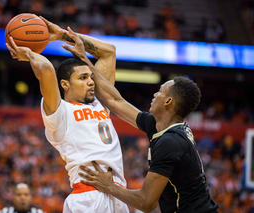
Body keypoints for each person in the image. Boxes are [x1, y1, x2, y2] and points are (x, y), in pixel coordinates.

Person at [61, 30, 219, 212]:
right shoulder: (160, 125)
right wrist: (84, 58)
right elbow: (115, 101)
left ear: (168, 101)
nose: (154, 94)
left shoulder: (171, 142)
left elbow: (146, 202)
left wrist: (109, 186)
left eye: (160, 92)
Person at [6, 17, 129, 213]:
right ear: (65, 84)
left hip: (119, 194)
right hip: (89, 197)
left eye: (90, 76)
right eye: (83, 78)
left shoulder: (101, 104)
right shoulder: (60, 112)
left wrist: (61, 35)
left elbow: (109, 52)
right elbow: (46, 68)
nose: (91, 81)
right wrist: (29, 52)